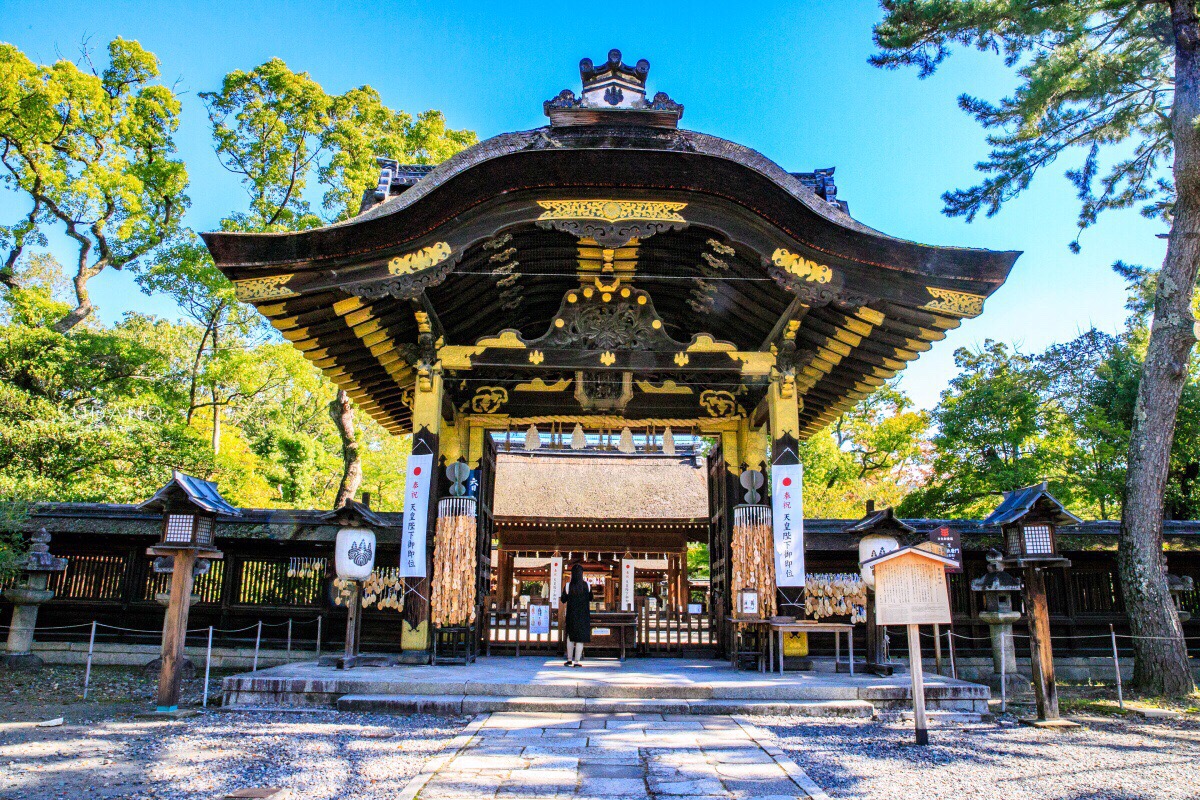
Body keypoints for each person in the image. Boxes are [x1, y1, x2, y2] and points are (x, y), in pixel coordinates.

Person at [561, 563, 592, 667]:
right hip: (583, 615)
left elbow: (563, 599)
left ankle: (569, 659)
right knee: (580, 638)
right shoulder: (587, 585)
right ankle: (577, 661)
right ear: (582, 574)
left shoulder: (568, 585)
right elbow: (591, 598)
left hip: (571, 614)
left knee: (570, 636)